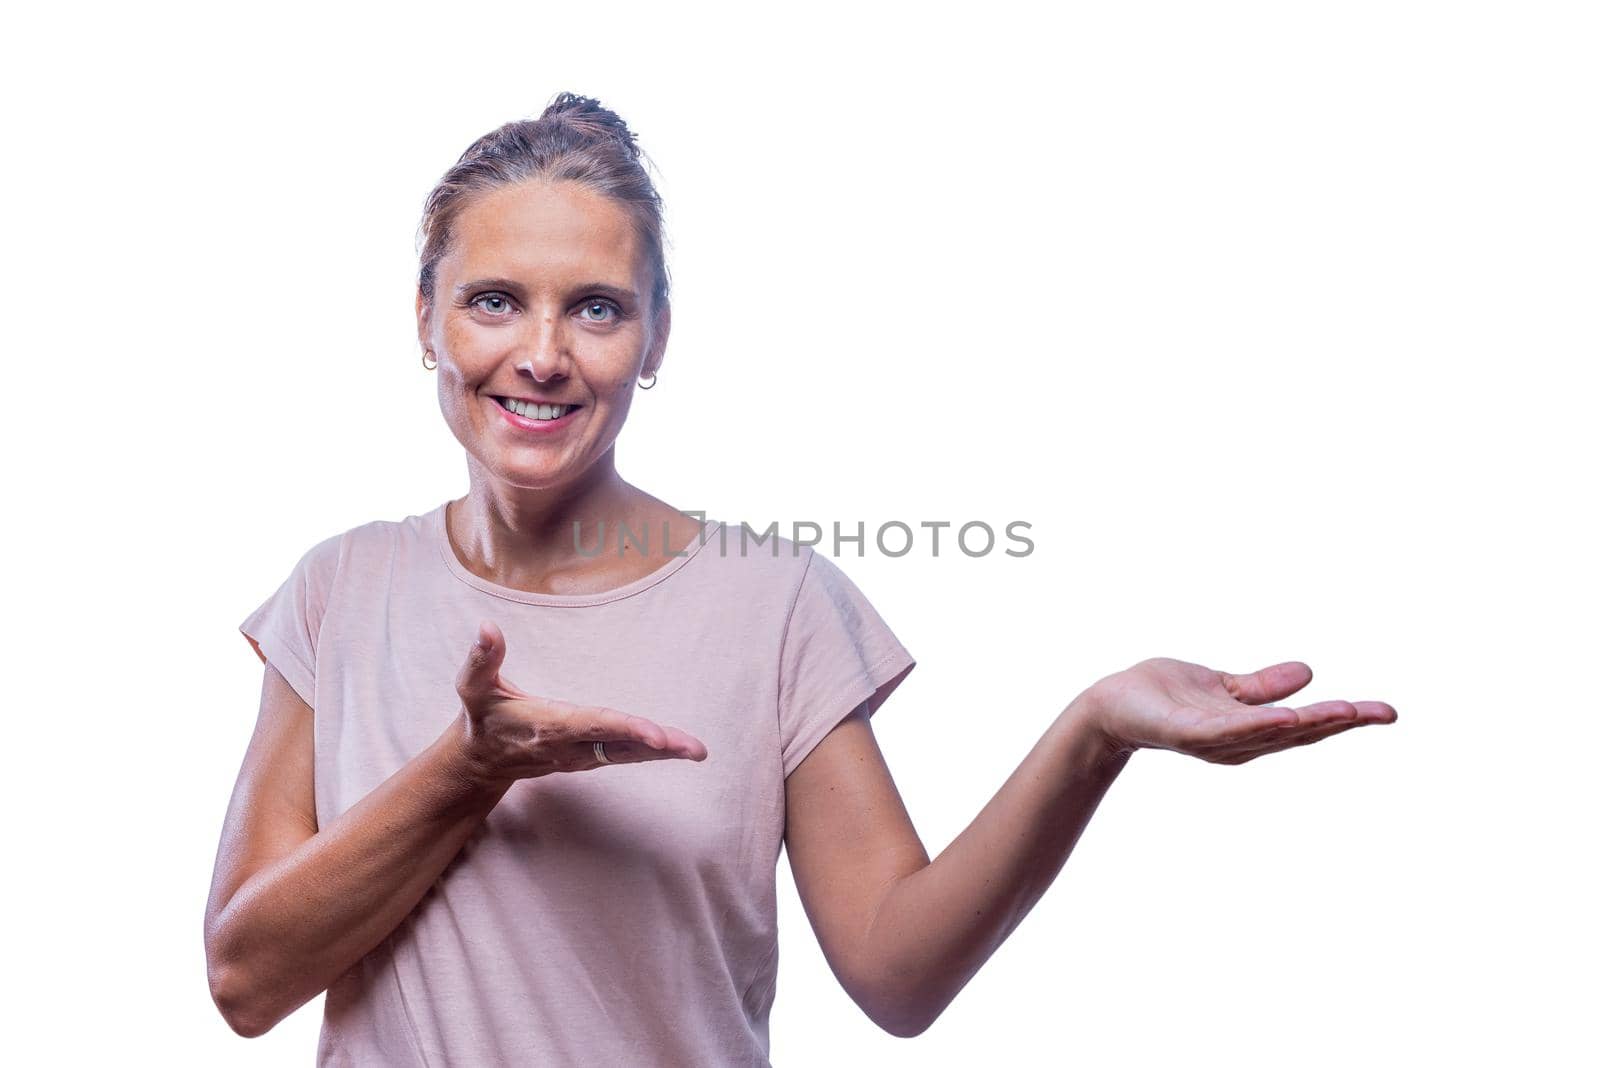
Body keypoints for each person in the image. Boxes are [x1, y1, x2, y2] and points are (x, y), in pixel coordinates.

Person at [203, 92, 1398, 1066]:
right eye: (495, 300)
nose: (544, 354)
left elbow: (897, 972)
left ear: (656, 338)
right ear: (426, 319)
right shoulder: (338, 592)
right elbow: (247, 982)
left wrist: (1091, 734)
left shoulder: (771, 604)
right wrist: (464, 775)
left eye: (599, 309)